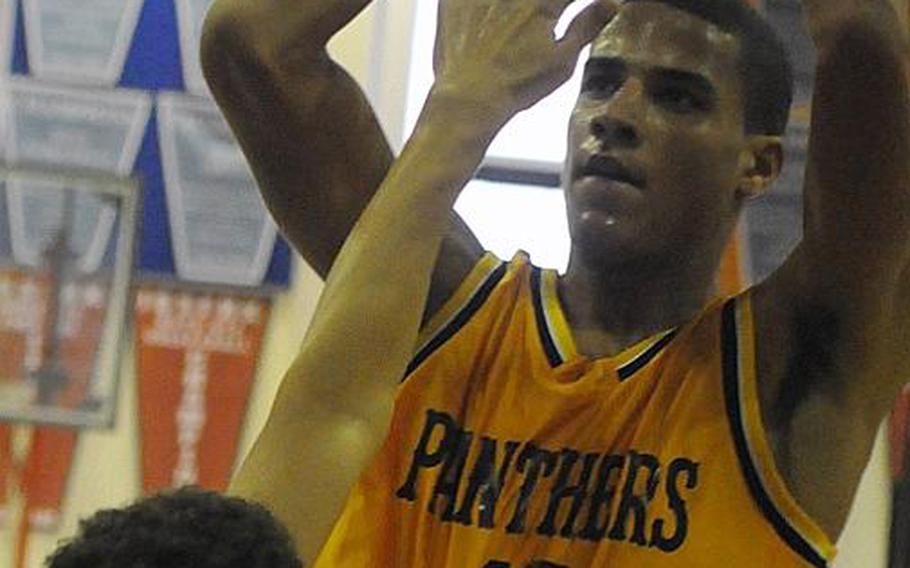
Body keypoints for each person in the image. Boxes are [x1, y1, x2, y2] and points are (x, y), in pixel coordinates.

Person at [201, 0, 910, 565]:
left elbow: (860, 33)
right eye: (600, 83)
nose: (617, 116)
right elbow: (251, 44)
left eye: (678, 97)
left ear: (758, 165)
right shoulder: (440, 308)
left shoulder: (788, 375)